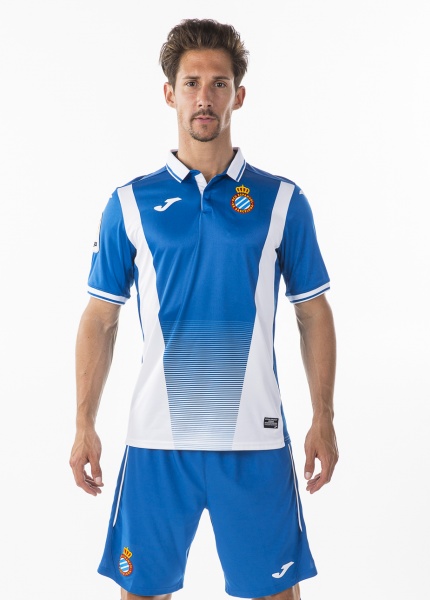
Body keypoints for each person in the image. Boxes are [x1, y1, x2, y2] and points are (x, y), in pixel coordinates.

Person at [70, 18, 338, 600]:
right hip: (156, 443)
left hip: (256, 442)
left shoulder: (281, 200)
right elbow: (101, 317)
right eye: (192, 83)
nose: (205, 97)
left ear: (239, 95)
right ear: (170, 93)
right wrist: (84, 422)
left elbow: (313, 312)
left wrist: (324, 416)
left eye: (219, 83)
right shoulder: (130, 203)